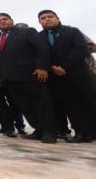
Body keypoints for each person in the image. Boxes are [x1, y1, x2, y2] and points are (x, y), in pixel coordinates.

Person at [0, 12, 56, 143]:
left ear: (11, 20)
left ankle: (49, 132)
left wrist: (42, 67)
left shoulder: (26, 32)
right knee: (25, 107)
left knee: (41, 104)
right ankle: (39, 129)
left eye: (5, 19)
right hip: (9, 80)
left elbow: (42, 49)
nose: (2, 22)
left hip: (30, 76)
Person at [38, 9, 95, 142]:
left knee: (89, 102)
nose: (47, 19)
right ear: (40, 22)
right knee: (72, 106)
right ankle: (82, 133)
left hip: (78, 74)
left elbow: (81, 49)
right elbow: (41, 54)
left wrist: (64, 67)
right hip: (57, 78)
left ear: (57, 18)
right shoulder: (39, 36)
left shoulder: (72, 31)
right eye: (43, 18)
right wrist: (51, 67)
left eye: (50, 16)